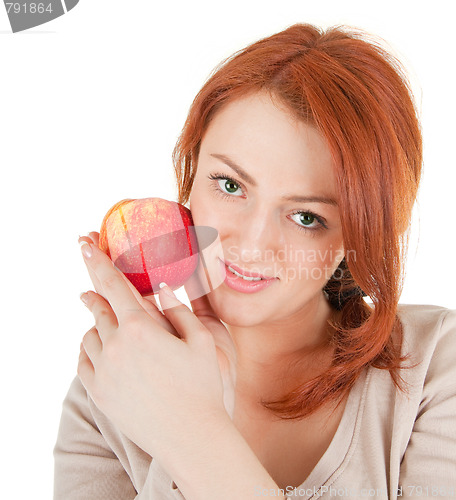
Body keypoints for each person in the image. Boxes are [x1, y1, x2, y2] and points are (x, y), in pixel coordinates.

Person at [54, 23, 456, 499]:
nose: (251, 244)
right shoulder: (115, 384)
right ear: (192, 169)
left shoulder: (433, 368)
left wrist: (194, 432)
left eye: (307, 216)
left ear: (360, 234)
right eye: (229, 185)